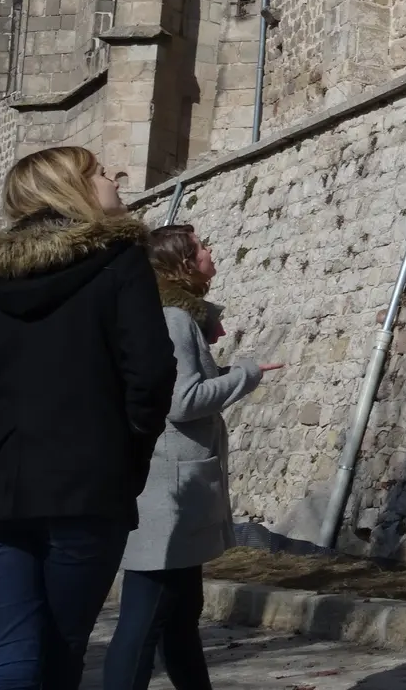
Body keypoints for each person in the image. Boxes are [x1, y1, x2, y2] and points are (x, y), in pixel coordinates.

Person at [0, 145, 177, 690]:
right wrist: (123, 452)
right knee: (60, 657)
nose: (117, 179)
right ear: (73, 189)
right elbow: (151, 374)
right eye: (103, 173)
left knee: (7, 662)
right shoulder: (120, 262)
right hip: (86, 490)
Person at [105, 224, 282, 690]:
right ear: (184, 263)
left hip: (174, 491)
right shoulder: (174, 318)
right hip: (169, 494)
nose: (211, 250)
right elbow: (182, 401)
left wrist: (225, 373)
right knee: (145, 621)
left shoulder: (171, 314)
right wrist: (244, 374)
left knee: (180, 620)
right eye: (201, 246)